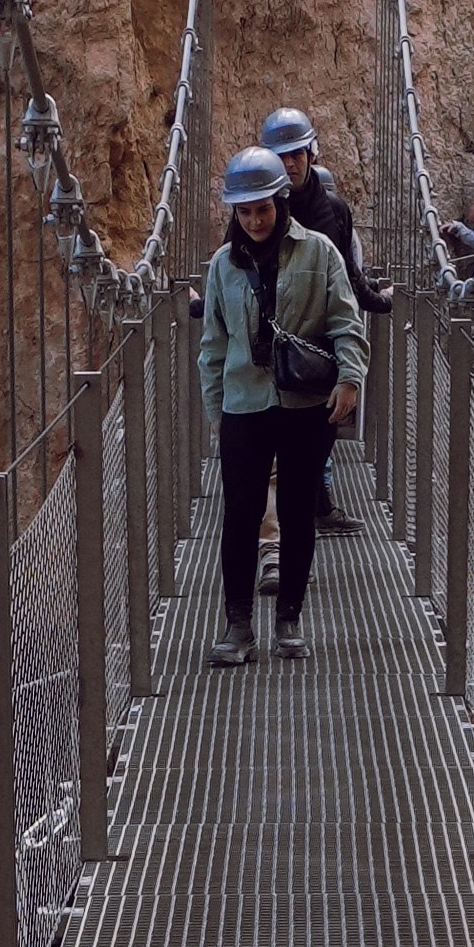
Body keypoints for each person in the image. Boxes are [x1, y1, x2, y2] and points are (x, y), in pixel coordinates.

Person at [196, 142, 365, 660]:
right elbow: (213, 346)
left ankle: (288, 620)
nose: (254, 220)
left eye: (262, 208)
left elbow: (346, 322)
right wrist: (216, 412)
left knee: (295, 512)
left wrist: (350, 377)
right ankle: (238, 626)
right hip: (244, 404)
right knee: (240, 514)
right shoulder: (223, 265)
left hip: (304, 404)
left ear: (280, 202)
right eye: (243, 211)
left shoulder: (319, 252)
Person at [260, 105, 387, 549]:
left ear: (311, 153)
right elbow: (232, 272)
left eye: (296, 153)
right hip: (268, 358)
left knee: (310, 455)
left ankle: (302, 534)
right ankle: (280, 554)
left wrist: (377, 304)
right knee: (277, 462)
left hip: (320, 357)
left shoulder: (332, 209)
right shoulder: (257, 208)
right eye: (281, 156)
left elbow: (348, 282)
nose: (290, 163)